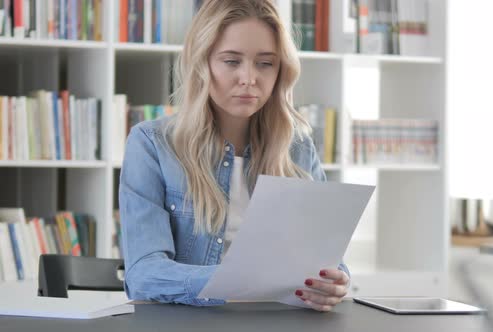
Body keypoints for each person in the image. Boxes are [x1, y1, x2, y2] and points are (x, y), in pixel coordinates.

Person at [119, 0, 349, 312]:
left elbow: (329, 263)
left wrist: (333, 283)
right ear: (203, 64)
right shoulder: (152, 144)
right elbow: (144, 275)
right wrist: (243, 282)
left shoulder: (298, 148)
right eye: (231, 61)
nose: (249, 78)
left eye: (265, 63)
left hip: (278, 322)